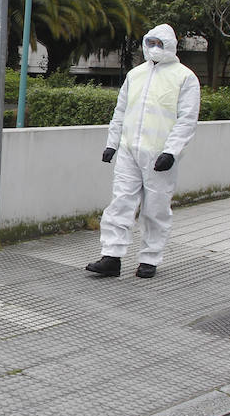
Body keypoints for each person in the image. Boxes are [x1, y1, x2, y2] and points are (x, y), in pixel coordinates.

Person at [86, 24, 201, 279]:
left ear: (171, 45)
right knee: (120, 203)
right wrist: (112, 144)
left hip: (159, 154)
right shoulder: (135, 75)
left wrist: (171, 152)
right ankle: (111, 256)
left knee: (156, 208)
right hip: (129, 151)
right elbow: (121, 111)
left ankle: (150, 258)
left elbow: (187, 119)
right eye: (151, 43)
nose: (155, 48)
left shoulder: (185, 77)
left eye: (160, 44)